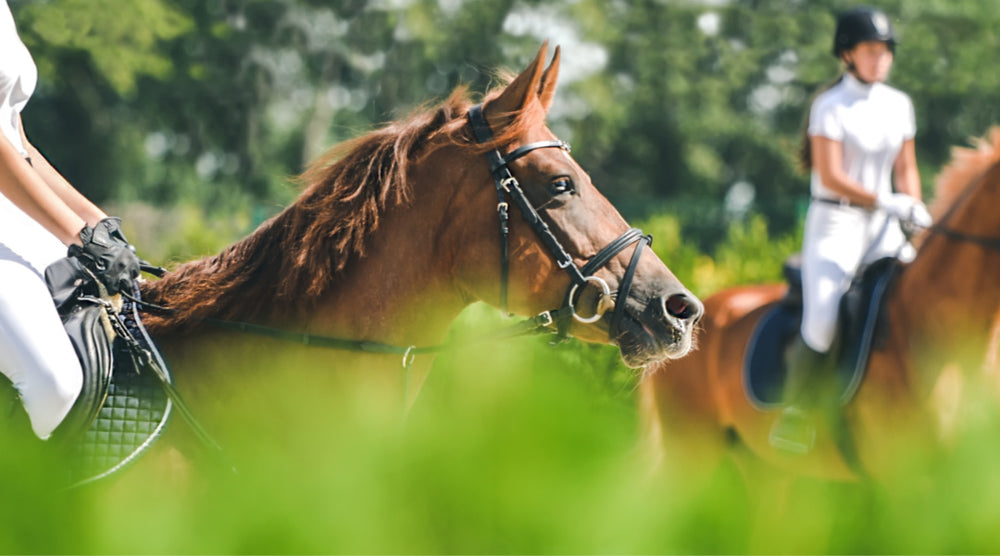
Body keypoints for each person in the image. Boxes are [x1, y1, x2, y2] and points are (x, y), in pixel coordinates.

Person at [769, 6, 933, 453]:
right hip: (835, 224)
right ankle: (796, 413)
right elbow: (832, 173)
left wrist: (913, 205)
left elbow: (907, 167)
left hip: (885, 227)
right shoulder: (829, 106)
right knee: (822, 321)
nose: (881, 59)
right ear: (847, 55)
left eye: (886, 52)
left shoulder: (899, 105)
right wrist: (886, 199)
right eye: (871, 51)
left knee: (924, 294)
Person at [1, 0, 140, 441]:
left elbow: (16, 141)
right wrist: (77, 235)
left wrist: (98, 225)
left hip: (13, 212)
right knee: (54, 384)